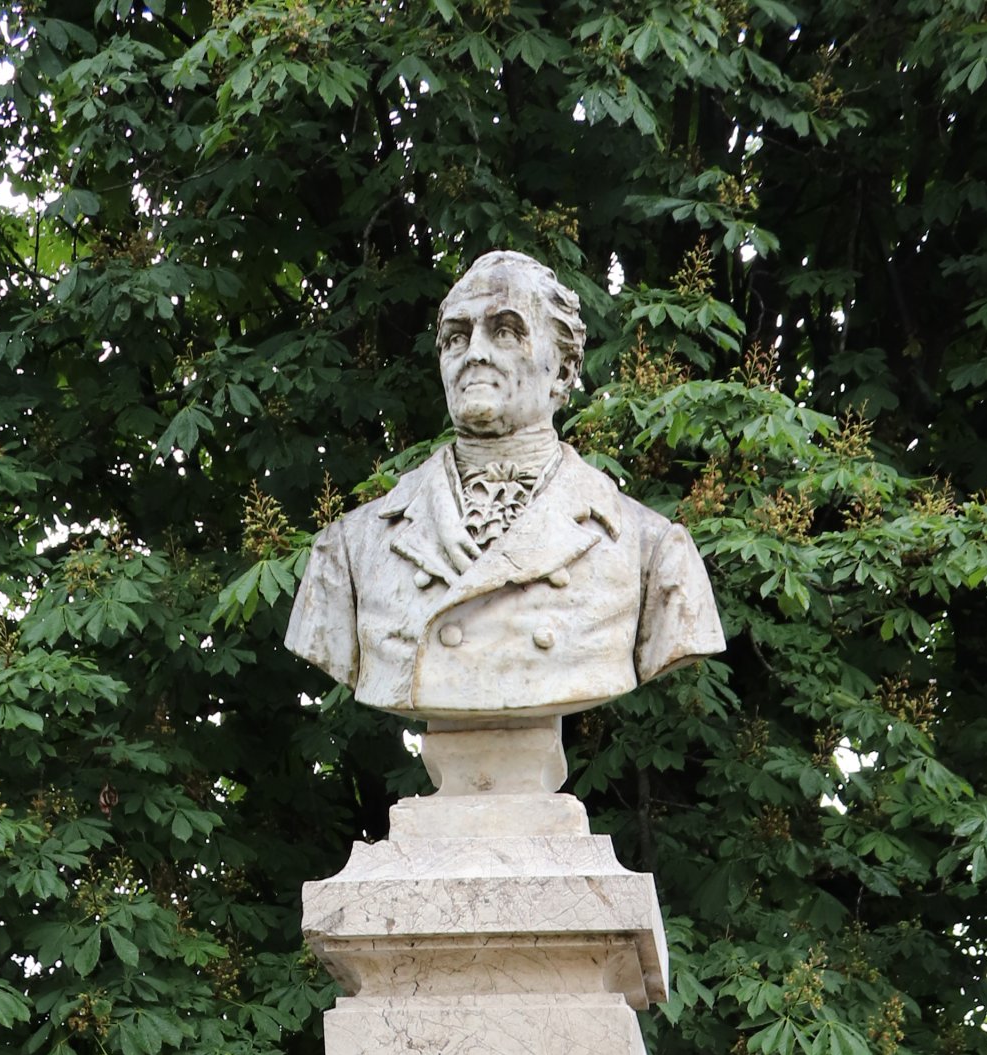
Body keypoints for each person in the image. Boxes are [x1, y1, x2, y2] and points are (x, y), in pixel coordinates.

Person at [284, 246, 725, 719]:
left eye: (506, 332)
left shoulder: (651, 550)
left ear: (565, 371)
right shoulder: (349, 550)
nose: (474, 353)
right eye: (456, 337)